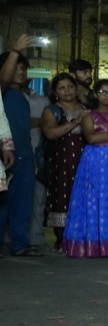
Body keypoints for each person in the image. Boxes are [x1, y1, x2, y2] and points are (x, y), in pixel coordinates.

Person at [63, 78, 108, 258]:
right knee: (95, 199)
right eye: (103, 92)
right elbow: (92, 138)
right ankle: (93, 243)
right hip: (96, 161)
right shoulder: (89, 114)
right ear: (96, 94)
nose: (107, 95)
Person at [39, 72, 88, 249]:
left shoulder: (86, 108)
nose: (67, 91)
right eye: (62, 88)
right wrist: (75, 122)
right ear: (55, 92)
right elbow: (50, 133)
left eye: (70, 86)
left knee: (83, 195)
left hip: (84, 160)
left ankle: (82, 237)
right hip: (61, 161)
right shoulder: (52, 110)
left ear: (76, 88)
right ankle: (62, 239)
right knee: (62, 195)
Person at [0, 45, 39, 255]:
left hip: (24, 155)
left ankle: (19, 244)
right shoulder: (2, 93)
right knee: (3, 202)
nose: (21, 72)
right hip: (6, 156)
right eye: (17, 67)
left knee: (23, 203)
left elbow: (23, 130)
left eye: (23, 68)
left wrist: (31, 157)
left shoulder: (22, 98)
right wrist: (15, 50)